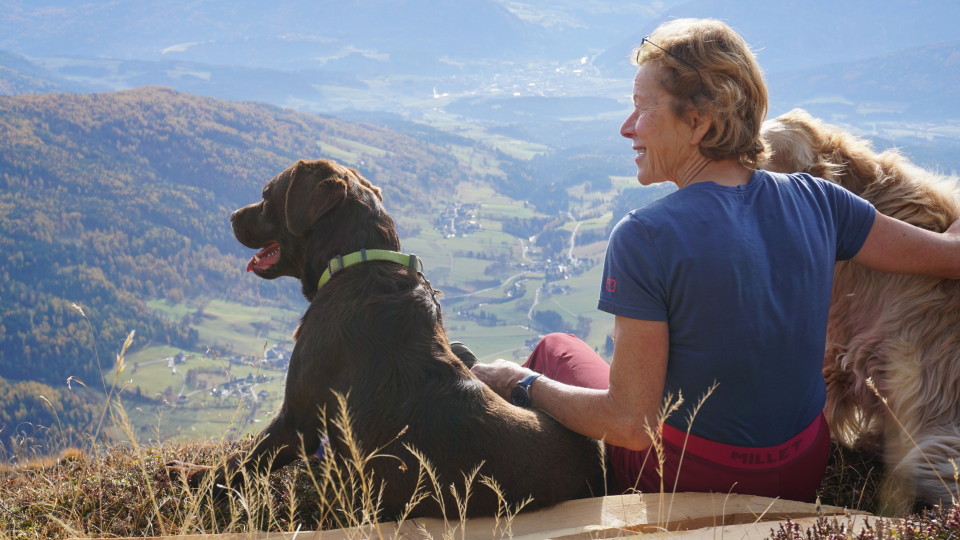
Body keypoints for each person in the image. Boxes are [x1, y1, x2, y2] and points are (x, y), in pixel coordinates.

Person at [471, 18, 960, 502]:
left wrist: (521, 382)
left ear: (699, 122)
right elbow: (951, 257)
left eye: (642, 108)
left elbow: (629, 424)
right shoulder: (823, 201)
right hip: (800, 469)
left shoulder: (643, 236)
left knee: (555, 349)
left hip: (687, 478)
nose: (626, 128)